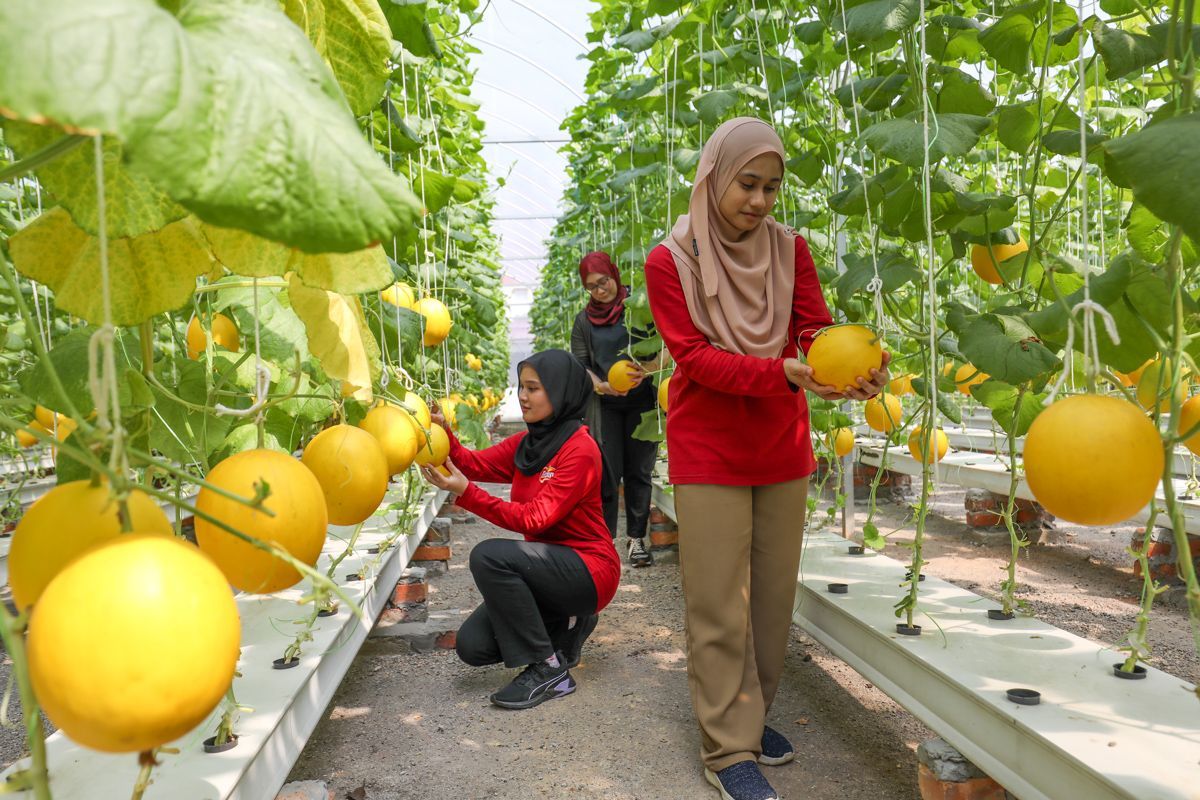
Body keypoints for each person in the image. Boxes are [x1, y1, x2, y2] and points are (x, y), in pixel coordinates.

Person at [644, 118, 889, 800]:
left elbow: (814, 328)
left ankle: (748, 715)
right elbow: (691, 357)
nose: (758, 201)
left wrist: (852, 366)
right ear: (715, 176)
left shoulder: (791, 250)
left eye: (771, 188)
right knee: (719, 601)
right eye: (747, 184)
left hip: (782, 445)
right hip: (710, 448)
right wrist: (779, 374)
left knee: (772, 600)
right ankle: (728, 751)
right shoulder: (671, 261)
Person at [419, 350, 620, 710]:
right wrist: (441, 431)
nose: (523, 396)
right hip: (545, 570)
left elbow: (534, 520)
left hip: (589, 570)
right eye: (521, 387)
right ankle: (565, 629)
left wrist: (466, 493)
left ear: (561, 392)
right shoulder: (528, 445)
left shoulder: (580, 450)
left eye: (533, 388)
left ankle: (549, 669)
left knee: (489, 557)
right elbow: (472, 463)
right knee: (473, 646)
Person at [571, 251, 661, 567]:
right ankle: (605, 542)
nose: (600, 290)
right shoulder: (584, 321)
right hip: (605, 405)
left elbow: (663, 349)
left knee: (640, 472)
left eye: (604, 281)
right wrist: (602, 385)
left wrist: (647, 370)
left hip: (642, 403)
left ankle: (636, 540)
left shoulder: (638, 309)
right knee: (607, 474)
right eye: (592, 286)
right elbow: (581, 365)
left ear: (615, 275)